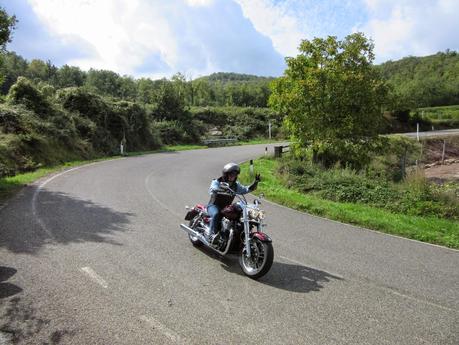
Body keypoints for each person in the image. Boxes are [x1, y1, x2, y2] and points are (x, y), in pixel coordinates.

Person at [206, 162, 261, 244]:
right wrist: (219, 189)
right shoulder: (217, 181)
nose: (233, 176)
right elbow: (213, 188)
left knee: (238, 216)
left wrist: (255, 182)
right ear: (226, 174)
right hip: (214, 206)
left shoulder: (235, 185)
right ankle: (211, 235)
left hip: (226, 207)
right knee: (217, 214)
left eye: (235, 174)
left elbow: (245, 190)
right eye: (231, 174)